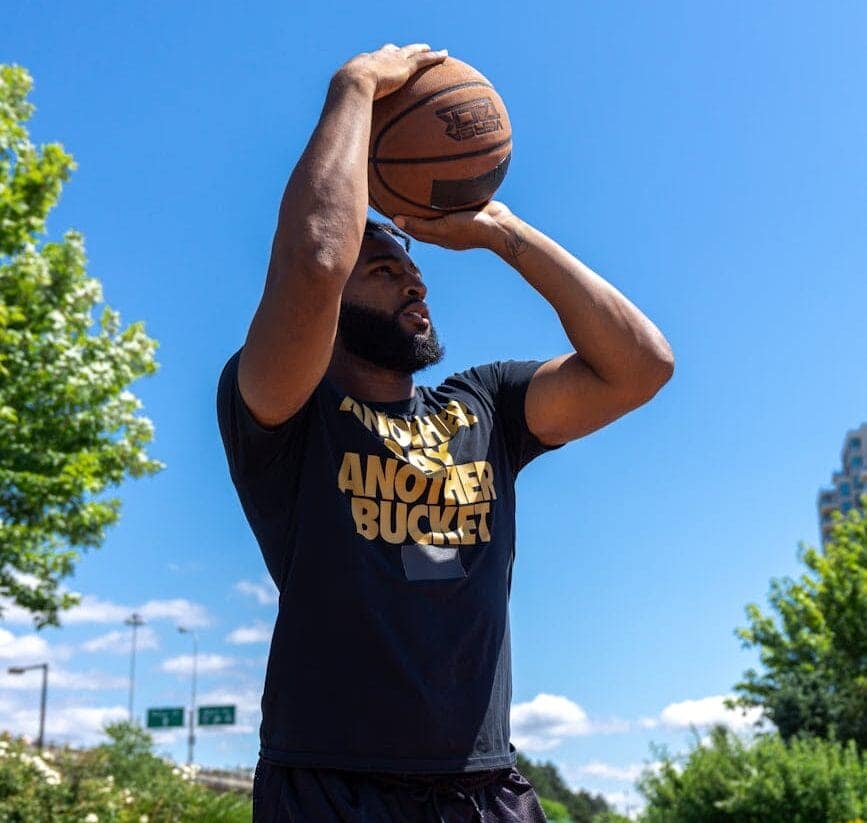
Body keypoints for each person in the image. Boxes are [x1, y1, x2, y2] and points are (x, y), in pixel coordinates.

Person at [217, 43, 674, 823]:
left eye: (413, 267)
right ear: (334, 309)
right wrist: (354, 88)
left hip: (483, 785)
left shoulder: (484, 405)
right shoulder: (286, 407)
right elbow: (316, 259)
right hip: (331, 784)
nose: (414, 277)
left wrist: (500, 230)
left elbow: (640, 365)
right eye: (384, 270)